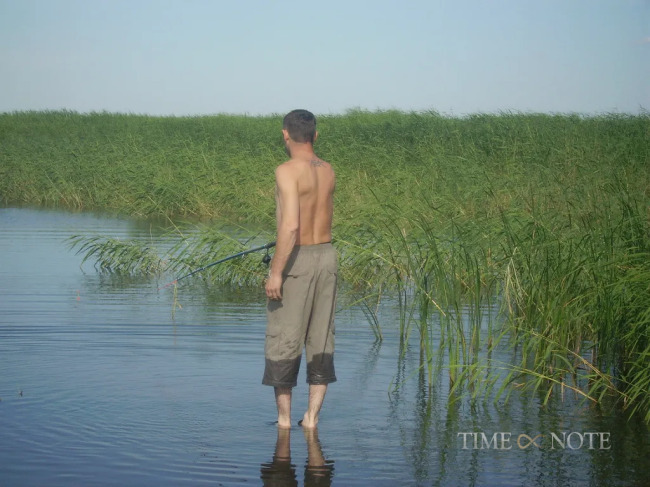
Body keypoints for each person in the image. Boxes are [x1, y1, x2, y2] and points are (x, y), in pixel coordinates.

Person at [263, 109, 337, 430]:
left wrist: (276, 272)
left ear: (285, 135)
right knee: (321, 338)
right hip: (328, 256)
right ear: (315, 136)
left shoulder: (286, 170)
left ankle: (283, 422)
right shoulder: (328, 170)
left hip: (298, 260)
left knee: (284, 337)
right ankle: (311, 419)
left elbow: (291, 226)